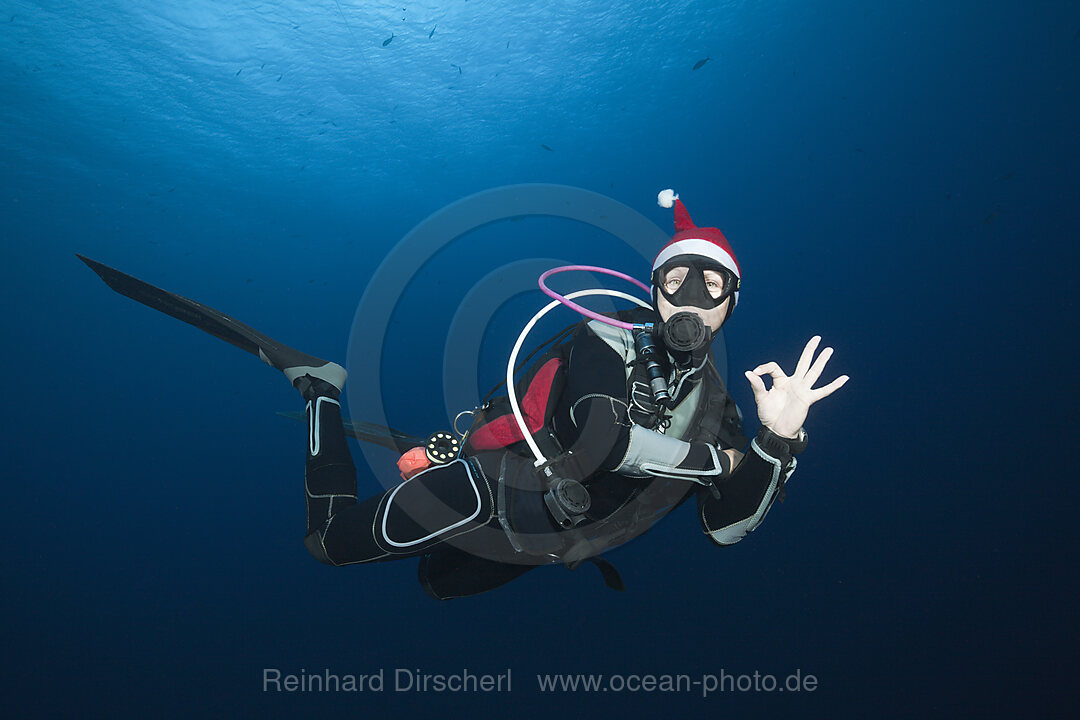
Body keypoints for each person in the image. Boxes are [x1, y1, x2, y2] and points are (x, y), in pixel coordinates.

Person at [277, 190, 849, 599]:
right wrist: (722, 462)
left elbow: (725, 529)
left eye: (712, 283)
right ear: (654, 292)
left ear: (731, 302)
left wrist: (777, 441)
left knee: (437, 586)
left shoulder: (716, 407)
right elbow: (602, 442)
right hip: (496, 487)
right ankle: (321, 388)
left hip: (551, 542)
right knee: (326, 545)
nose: (692, 297)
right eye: (675, 281)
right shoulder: (605, 334)